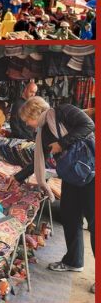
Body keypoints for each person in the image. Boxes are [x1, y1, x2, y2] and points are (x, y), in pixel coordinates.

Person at [14, 97, 94, 291]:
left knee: (95, 224)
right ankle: (74, 261)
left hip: (91, 172)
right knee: (69, 217)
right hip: (71, 176)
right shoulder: (42, 131)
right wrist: (16, 178)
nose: (26, 124)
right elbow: (37, 159)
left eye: (27, 119)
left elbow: (88, 124)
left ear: (34, 113)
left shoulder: (63, 110)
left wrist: (62, 144)